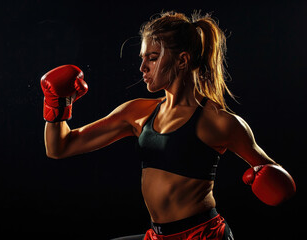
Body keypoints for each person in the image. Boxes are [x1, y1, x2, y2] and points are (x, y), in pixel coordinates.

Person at [41, 11, 296, 240]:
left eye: (152, 58)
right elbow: (60, 147)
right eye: (143, 58)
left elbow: (270, 170)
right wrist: (58, 104)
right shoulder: (137, 113)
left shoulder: (218, 121)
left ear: (182, 60)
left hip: (203, 235)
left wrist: (271, 178)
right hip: (157, 236)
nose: (142, 68)